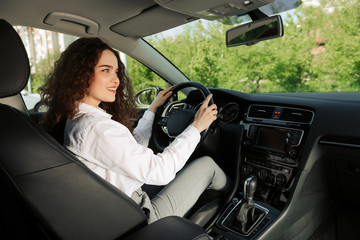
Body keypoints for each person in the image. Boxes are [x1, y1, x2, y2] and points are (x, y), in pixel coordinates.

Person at [40, 37, 230, 223]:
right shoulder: (97, 129)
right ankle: (241, 202)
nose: (116, 80)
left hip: (121, 206)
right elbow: (161, 170)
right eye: (106, 70)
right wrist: (195, 128)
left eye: (116, 71)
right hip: (140, 216)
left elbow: (129, 150)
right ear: (80, 74)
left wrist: (152, 111)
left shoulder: (76, 119)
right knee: (208, 166)